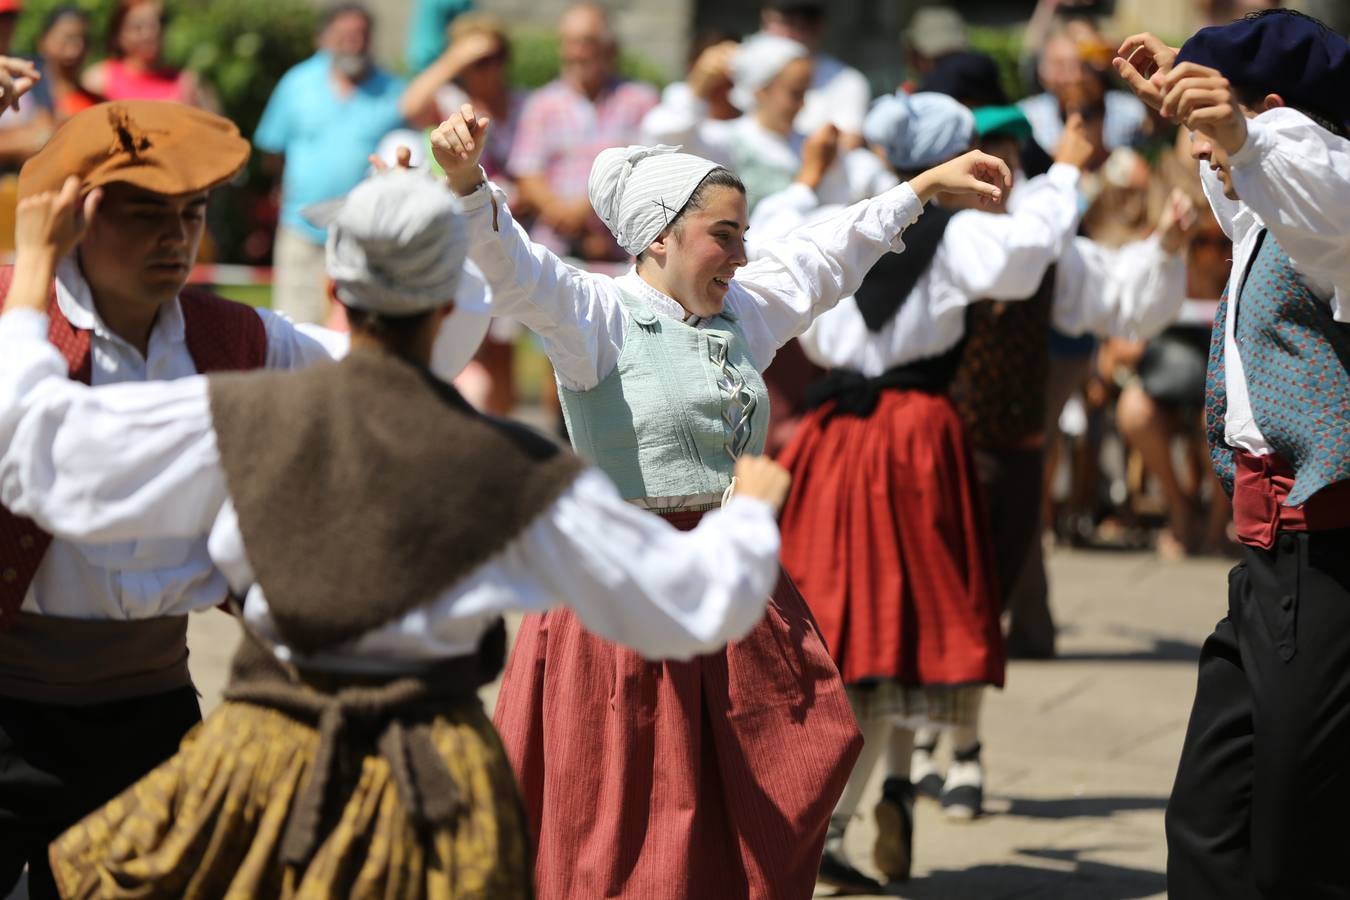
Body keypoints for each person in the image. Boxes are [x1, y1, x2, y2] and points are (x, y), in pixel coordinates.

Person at [0, 166, 798, 899]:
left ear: (340, 287)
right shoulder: (507, 465)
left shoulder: (238, 414)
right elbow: (691, 602)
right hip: (432, 772)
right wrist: (749, 520)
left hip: (264, 756)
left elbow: (40, 452)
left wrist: (34, 271)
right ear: (451, 307)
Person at [433, 100, 1011, 900]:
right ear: (660, 237)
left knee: (780, 768)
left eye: (743, 236)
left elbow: (825, 254)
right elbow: (515, 268)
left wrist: (921, 188)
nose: (741, 256)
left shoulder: (741, 309)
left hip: (732, 586)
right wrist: (469, 183)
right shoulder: (596, 317)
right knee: (625, 805)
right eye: (725, 235)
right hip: (624, 594)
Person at [752, 90, 1191, 889]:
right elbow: (1029, 252)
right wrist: (1065, 173)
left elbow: (774, 247)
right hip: (915, 436)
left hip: (837, 440)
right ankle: (878, 794)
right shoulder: (967, 237)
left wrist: (807, 183)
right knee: (893, 634)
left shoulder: (839, 225)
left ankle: (862, 807)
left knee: (856, 636)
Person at [0, 98, 427, 900]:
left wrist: (404, 251)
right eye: (145, 212)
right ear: (72, 215)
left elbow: (390, 387)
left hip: (153, 716)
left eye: (191, 212)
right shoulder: (13, 317)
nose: (176, 236)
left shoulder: (234, 338)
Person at [1114, 11, 1350, 897]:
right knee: (1213, 815)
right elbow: (1255, 188)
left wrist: (1243, 130)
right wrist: (1196, 101)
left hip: (1329, 554)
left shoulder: (1328, 203)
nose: (1208, 156)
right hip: (1268, 562)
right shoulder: (1266, 206)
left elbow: (1324, 198)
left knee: (1300, 833)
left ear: (1280, 112)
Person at [254, 3, 406, 324]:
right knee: (296, 331)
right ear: (323, 39)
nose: (353, 43)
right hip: (301, 232)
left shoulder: (394, 90)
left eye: (360, 36)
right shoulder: (297, 83)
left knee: (357, 335)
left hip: (366, 236)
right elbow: (272, 149)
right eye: (344, 36)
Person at [642, 33, 894, 213]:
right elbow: (665, 145)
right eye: (795, 94)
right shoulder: (728, 141)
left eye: (805, 93)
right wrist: (696, 88)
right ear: (760, 90)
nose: (802, 104)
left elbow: (860, 183)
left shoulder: (806, 143)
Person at [506, 2, 657, 262]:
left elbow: (649, 170)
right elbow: (527, 173)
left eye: (587, 42)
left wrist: (589, 210)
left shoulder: (641, 100)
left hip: (624, 248)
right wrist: (568, 218)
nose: (577, 53)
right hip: (555, 248)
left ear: (610, 48)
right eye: (569, 42)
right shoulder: (542, 103)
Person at [760, 0, 870, 142]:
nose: (789, 33)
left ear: (819, 27)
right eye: (782, 22)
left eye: (801, 25)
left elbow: (848, 142)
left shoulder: (848, 82)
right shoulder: (741, 66)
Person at [81, 0, 205, 106]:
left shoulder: (184, 82)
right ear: (118, 36)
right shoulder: (99, 80)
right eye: (138, 27)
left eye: (155, 25)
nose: (149, 34)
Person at [31, 7, 102, 123]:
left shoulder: (97, 104)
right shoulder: (22, 96)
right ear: (43, 41)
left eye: (84, 40)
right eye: (68, 38)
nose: (78, 48)